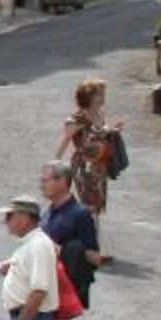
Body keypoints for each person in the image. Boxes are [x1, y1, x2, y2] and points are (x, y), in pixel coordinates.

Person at [38, 161, 101, 320]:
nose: (42, 184)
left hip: (65, 290)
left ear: (63, 181)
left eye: (47, 179)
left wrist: (60, 249)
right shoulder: (47, 214)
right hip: (43, 288)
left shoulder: (79, 214)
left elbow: (94, 256)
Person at [56, 77, 121, 216]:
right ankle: (88, 233)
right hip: (84, 165)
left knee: (98, 203)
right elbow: (66, 138)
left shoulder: (100, 113)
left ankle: (93, 233)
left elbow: (101, 131)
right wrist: (55, 162)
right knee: (89, 203)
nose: (103, 97)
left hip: (100, 164)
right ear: (89, 97)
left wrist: (112, 131)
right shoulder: (78, 118)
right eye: (100, 94)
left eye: (103, 93)